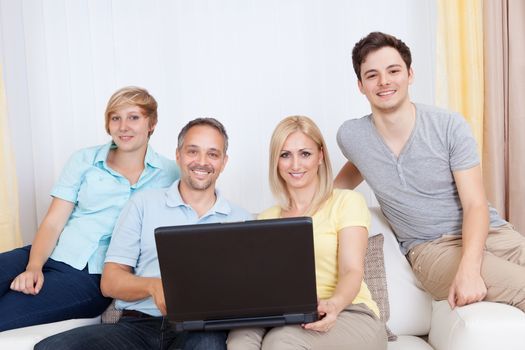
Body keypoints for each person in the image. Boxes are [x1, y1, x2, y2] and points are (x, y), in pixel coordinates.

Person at [335, 31, 525, 311]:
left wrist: (470, 269)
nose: (384, 81)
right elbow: (352, 172)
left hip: (493, 233)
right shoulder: (352, 136)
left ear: (410, 74)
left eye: (393, 70)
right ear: (361, 85)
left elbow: (475, 205)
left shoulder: (448, 126)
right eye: (372, 75)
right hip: (432, 249)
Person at [35, 117, 252, 350]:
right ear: (178, 155)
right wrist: (153, 286)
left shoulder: (242, 219)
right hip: (137, 325)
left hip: (200, 331)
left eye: (212, 154)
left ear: (223, 162)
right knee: (52, 348)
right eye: (192, 151)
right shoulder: (144, 204)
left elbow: (250, 293)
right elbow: (110, 282)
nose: (201, 161)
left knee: (207, 345)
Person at [0, 86, 178, 332]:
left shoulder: (171, 174)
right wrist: (33, 267)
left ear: (152, 123)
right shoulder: (83, 160)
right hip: (49, 253)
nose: (123, 126)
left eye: (133, 117)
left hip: (90, 278)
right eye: (116, 118)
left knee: (6, 312)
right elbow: (53, 222)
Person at [227, 116, 387, 350]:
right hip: (288, 317)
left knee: (280, 343)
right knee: (240, 339)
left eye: (305, 153)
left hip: (350, 311)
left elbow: (351, 270)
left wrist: (334, 304)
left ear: (320, 156)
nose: (295, 165)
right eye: (285, 155)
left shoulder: (346, 202)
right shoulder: (265, 218)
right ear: (276, 162)